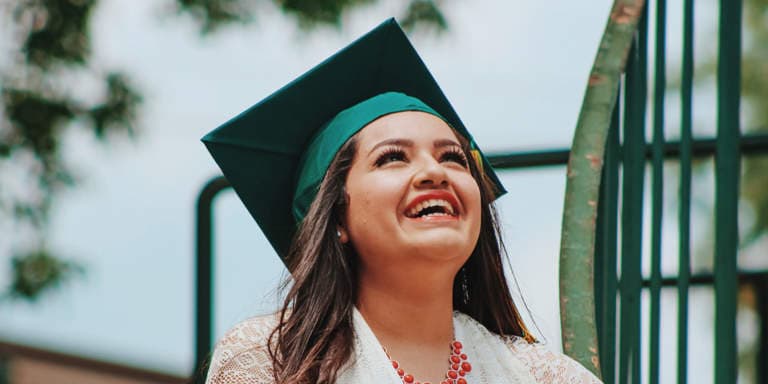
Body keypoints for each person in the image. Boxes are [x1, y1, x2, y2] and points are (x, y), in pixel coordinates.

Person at [202, 19, 603, 384]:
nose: (435, 172)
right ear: (336, 216)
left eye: (453, 157)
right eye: (393, 157)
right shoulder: (273, 362)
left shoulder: (546, 377)